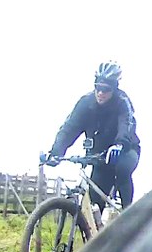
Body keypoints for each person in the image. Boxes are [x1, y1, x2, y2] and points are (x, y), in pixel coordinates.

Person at [45, 61, 141, 212]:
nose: (101, 93)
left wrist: (119, 145)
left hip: (124, 150)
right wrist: (56, 152)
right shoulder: (85, 103)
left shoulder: (122, 102)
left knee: (122, 169)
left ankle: (127, 213)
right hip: (99, 156)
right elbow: (69, 129)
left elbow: (126, 124)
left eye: (106, 89)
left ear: (114, 89)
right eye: (98, 88)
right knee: (95, 203)